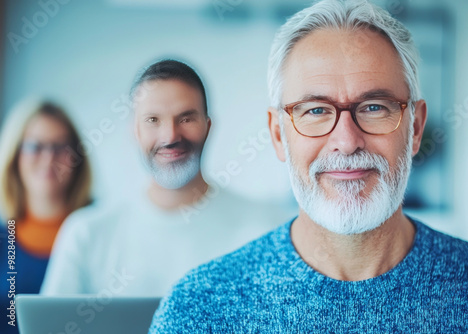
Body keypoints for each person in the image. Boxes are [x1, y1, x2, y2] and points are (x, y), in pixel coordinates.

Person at [148, 1, 468, 333]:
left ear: (416, 129)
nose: (347, 142)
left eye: (374, 107)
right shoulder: (199, 309)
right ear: (278, 135)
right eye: (315, 110)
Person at [41, 59, 286, 297]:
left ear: (208, 127)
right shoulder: (86, 235)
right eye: (153, 120)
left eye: (186, 118)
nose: (170, 136)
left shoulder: (266, 229)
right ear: (135, 131)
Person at [0, 99, 92, 334]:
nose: (49, 158)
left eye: (61, 146)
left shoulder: (97, 229)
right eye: (35, 146)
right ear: (15, 155)